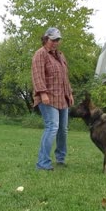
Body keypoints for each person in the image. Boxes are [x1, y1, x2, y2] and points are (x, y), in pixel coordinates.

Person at [31, 27, 74, 170]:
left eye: (58, 40)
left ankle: (60, 159)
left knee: (63, 129)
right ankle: (43, 163)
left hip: (62, 98)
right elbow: (37, 75)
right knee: (52, 127)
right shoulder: (40, 54)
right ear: (46, 39)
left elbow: (64, 78)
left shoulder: (61, 56)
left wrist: (70, 93)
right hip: (48, 98)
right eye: (53, 39)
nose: (56, 42)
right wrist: (42, 93)